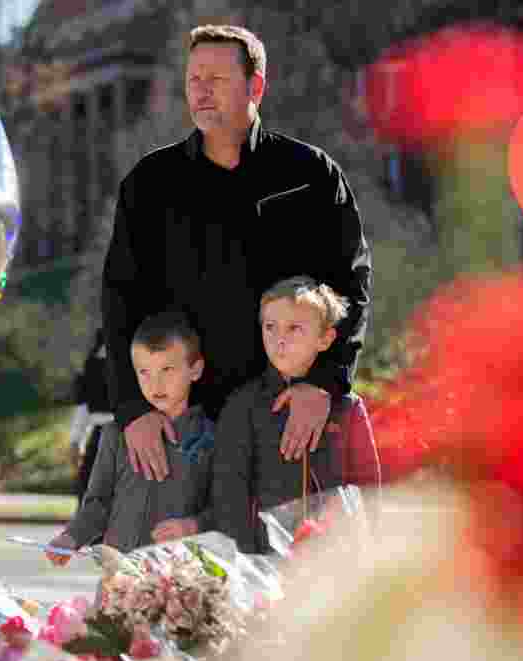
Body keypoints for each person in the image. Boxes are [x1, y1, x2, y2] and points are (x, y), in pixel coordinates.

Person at [103, 24, 371, 484]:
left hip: (287, 413)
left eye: (218, 79)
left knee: (289, 553)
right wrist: (133, 409)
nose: (202, 92)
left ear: (256, 86)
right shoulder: (150, 184)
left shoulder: (311, 174)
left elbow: (350, 286)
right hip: (182, 425)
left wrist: (324, 384)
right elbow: (121, 302)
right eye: (194, 80)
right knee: (183, 553)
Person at [210, 276, 381, 554]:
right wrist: (247, 560)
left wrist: (367, 550)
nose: (279, 339)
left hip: (336, 557)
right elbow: (230, 495)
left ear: (325, 339)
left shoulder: (348, 408)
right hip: (268, 558)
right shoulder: (242, 405)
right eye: (270, 327)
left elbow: (368, 488)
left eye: (294, 329)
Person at [47, 311, 216, 559]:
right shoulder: (115, 434)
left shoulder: (214, 437)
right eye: (144, 372)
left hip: (182, 582)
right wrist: (71, 536)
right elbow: (97, 504)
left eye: (167, 369)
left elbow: (228, 510)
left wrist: (193, 526)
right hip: (118, 581)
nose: (155, 384)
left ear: (195, 369)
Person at [67, 328, 114, 506]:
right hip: (118, 433)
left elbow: (83, 408)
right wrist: (75, 441)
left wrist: (75, 441)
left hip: (103, 433)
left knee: (89, 486)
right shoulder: (96, 366)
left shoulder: (92, 364)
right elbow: (84, 407)